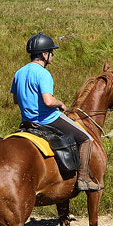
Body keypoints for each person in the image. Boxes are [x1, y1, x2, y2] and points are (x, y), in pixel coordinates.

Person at [11, 33, 102, 192]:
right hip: (47, 119)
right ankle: (83, 178)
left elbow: (15, 100)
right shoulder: (43, 73)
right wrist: (60, 103)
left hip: (27, 121)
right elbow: (48, 101)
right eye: (51, 53)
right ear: (44, 55)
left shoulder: (19, 73)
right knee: (86, 138)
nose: (52, 56)